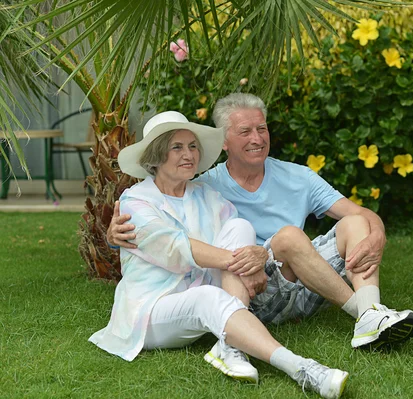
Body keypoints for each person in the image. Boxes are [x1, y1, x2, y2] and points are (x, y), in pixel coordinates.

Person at [108, 93, 413, 350]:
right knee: (288, 237)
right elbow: (167, 223)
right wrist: (115, 233)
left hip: (311, 282)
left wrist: (377, 233)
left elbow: (360, 213)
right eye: (245, 131)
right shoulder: (205, 186)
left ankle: (370, 314)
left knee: (355, 224)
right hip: (254, 287)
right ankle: (365, 313)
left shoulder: (298, 176)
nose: (257, 138)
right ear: (225, 142)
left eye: (262, 128)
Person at [91, 111, 349, 399]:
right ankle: (302, 369)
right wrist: (247, 264)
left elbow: (238, 237)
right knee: (209, 297)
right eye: (176, 147)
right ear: (156, 156)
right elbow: (177, 248)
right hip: (152, 307)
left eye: (192, 146)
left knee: (239, 225)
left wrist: (256, 257)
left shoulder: (206, 195)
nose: (188, 154)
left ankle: (230, 347)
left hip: (205, 289)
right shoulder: (135, 202)